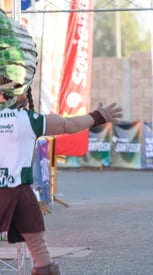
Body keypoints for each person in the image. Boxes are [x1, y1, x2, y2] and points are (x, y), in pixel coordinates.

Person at [0, 10, 122, 275]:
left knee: (39, 249)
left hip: (16, 191)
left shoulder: (28, 119)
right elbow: (68, 126)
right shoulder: (28, 119)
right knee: (39, 250)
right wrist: (97, 116)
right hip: (19, 191)